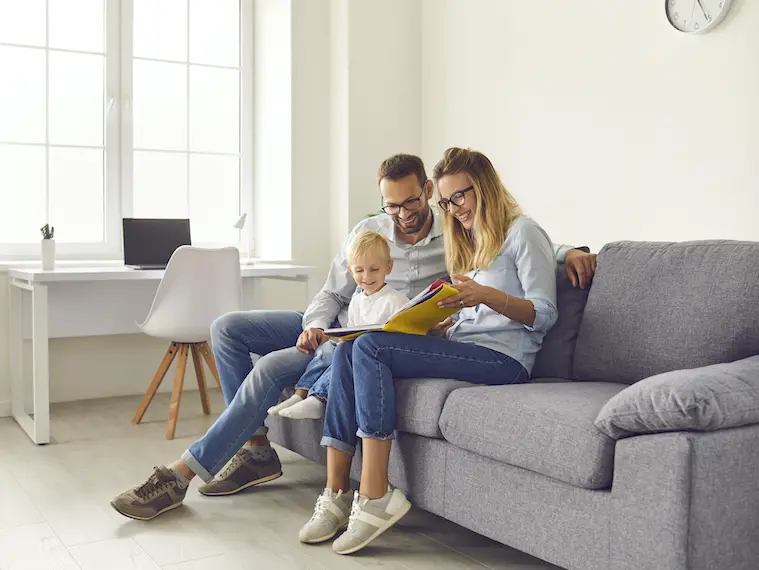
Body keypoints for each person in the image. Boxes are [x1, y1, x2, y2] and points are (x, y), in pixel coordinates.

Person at [110, 153, 596, 522]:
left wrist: (569, 249)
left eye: (412, 201)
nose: (403, 213)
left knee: (272, 368)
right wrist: (312, 329)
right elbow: (330, 291)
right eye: (391, 204)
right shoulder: (370, 229)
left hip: (376, 330)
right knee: (228, 327)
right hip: (340, 319)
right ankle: (257, 449)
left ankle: (182, 474)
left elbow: (511, 240)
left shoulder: (451, 234)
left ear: (426, 192)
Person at [298, 147, 558, 555]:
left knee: (371, 348)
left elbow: (544, 314)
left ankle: (375, 491)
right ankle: (335, 491)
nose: (453, 209)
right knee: (351, 347)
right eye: (447, 201)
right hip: (464, 345)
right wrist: (444, 319)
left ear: (485, 187)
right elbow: (470, 315)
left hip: (505, 360)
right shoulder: (472, 239)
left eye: (460, 196)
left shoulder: (523, 232)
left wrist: (486, 295)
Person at [268, 230, 409, 420]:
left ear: (388, 267)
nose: (367, 276)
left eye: (374, 269)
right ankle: (299, 394)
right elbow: (351, 329)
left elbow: (404, 335)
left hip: (375, 355)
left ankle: (318, 399)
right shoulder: (357, 301)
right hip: (354, 347)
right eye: (359, 270)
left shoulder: (396, 300)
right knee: (328, 349)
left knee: (344, 355)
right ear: (351, 270)